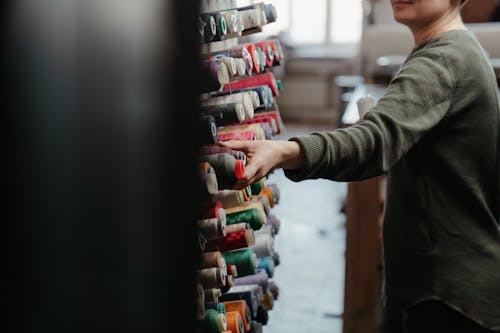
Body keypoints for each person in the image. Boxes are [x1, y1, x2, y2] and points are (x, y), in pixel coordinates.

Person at [219, 0, 500, 332]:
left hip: (448, 294)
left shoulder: (442, 60)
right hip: (458, 282)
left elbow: (373, 141)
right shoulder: (458, 49)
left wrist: (285, 151)